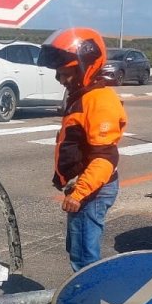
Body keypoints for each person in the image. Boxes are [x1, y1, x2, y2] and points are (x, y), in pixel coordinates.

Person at [38, 27, 127, 272]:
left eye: (66, 73)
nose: (62, 80)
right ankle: (87, 301)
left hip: (93, 190)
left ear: (85, 66)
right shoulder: (83, 96)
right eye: (58, 75)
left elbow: (104, 158)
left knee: (85, 258)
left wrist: (79, 194)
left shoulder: (99, 100)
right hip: (84, 188)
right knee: (77, 250)